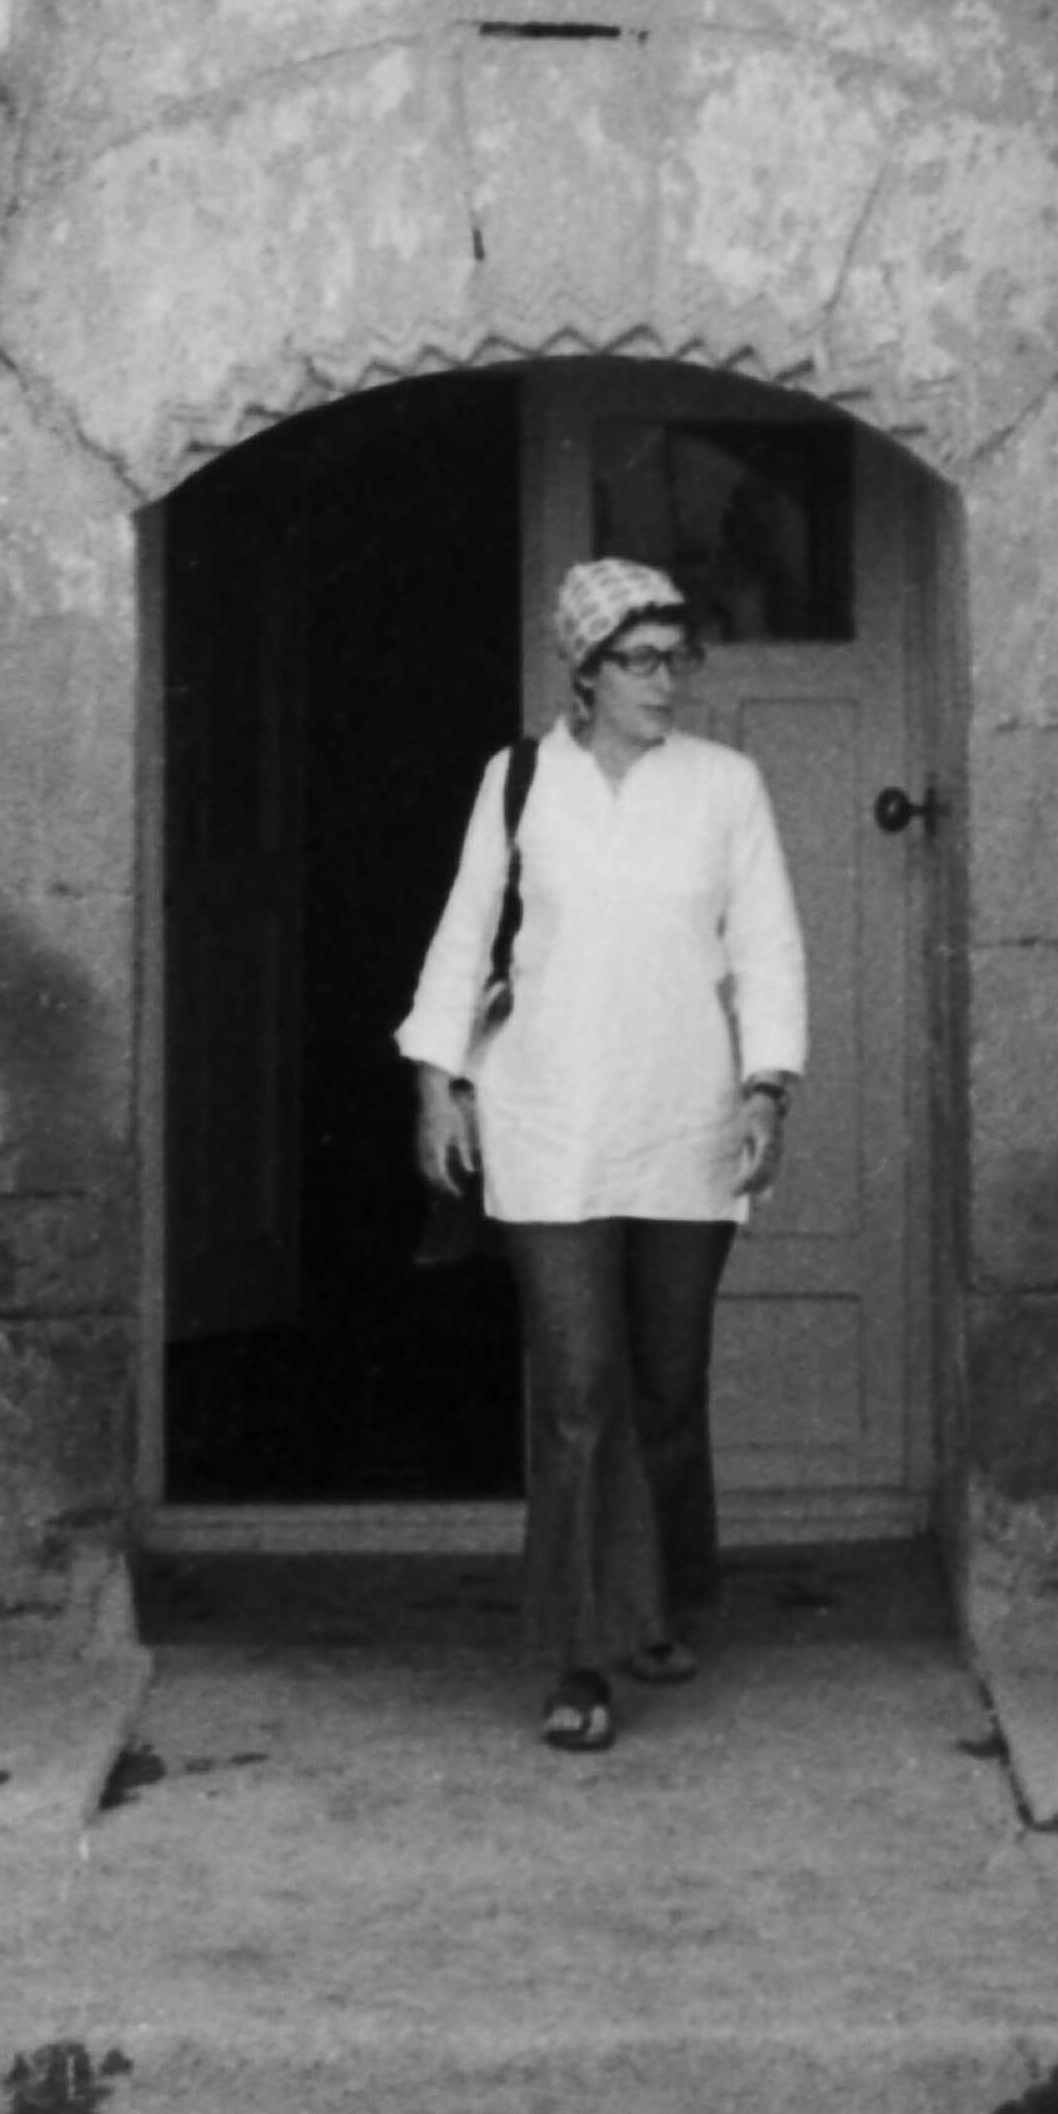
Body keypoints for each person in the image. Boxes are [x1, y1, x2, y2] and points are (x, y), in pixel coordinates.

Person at [396, 558, 809, 1755]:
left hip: (686, 1124)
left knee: (667, 1393)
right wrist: (437, 1086)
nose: (666, 682)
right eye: (641, 661)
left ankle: (659, 1605)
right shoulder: (521, 779)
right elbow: (465, 935)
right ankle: (580, 1656)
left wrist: (767, 1088)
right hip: (549, 1125)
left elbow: (769, 947)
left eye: (680, 659)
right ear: (584, 672)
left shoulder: (725, 786)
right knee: (579, 1394)